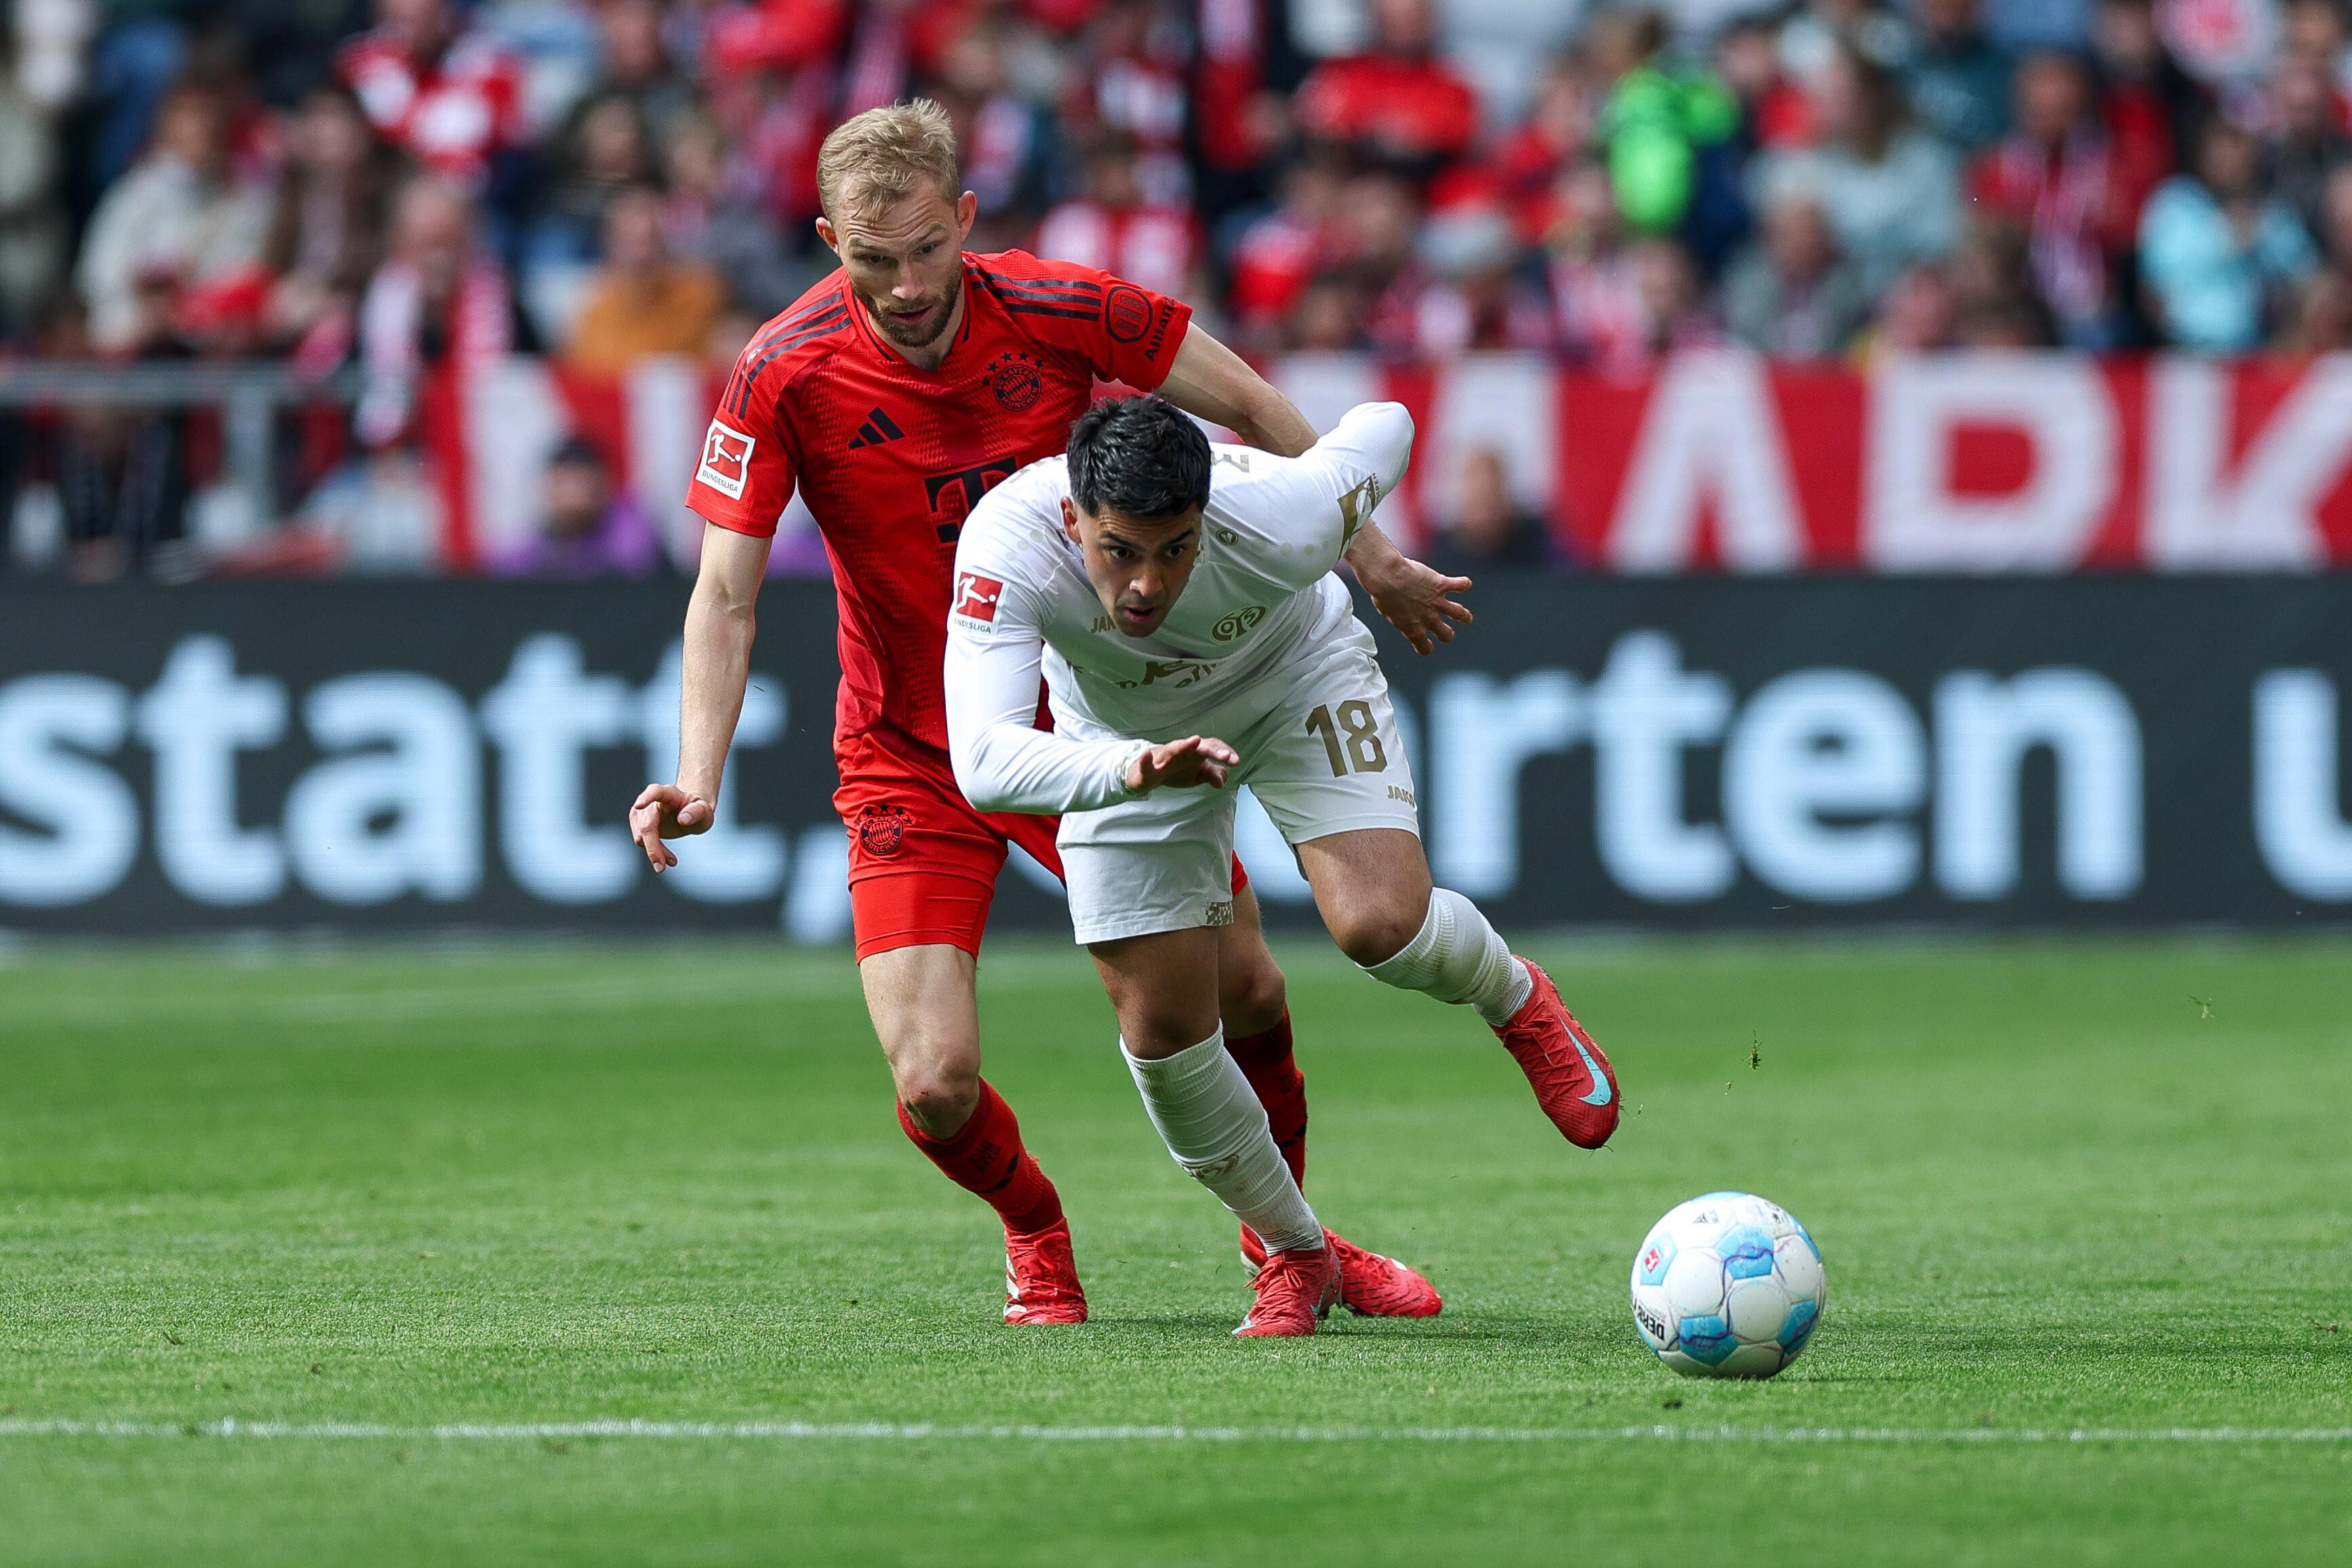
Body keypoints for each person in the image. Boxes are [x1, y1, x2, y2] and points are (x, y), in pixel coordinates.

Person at [628, 101, 1468, 1327]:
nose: (906, 286)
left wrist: (1372, 553)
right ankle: (1033, 1226)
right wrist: (696, 771)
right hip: (915, 751)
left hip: (1095, 732)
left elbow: (1259, 409)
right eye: (872, 260)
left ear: (963, 220)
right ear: (827, 242)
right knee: (933, 1082)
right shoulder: (781, 371)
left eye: (925, 249)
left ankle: (1288, 1243)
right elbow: (722, 593)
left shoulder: (1066, 307)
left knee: (1253, 997)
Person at [941, 397, 1620, 1337]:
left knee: (1382, 926)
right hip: (1123, 741)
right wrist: (1131, 766)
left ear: (1206, 517)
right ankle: (1299, 1254)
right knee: (1166, 1037)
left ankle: (1514, 995)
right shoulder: (1008, 543)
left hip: (1291, 681)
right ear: (1073, 521)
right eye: (1119, 550)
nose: (1146, 584)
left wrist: (1373, 554)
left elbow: (1385, 423)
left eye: (1174, 549)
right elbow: (982, 759)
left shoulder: (1278, 517)